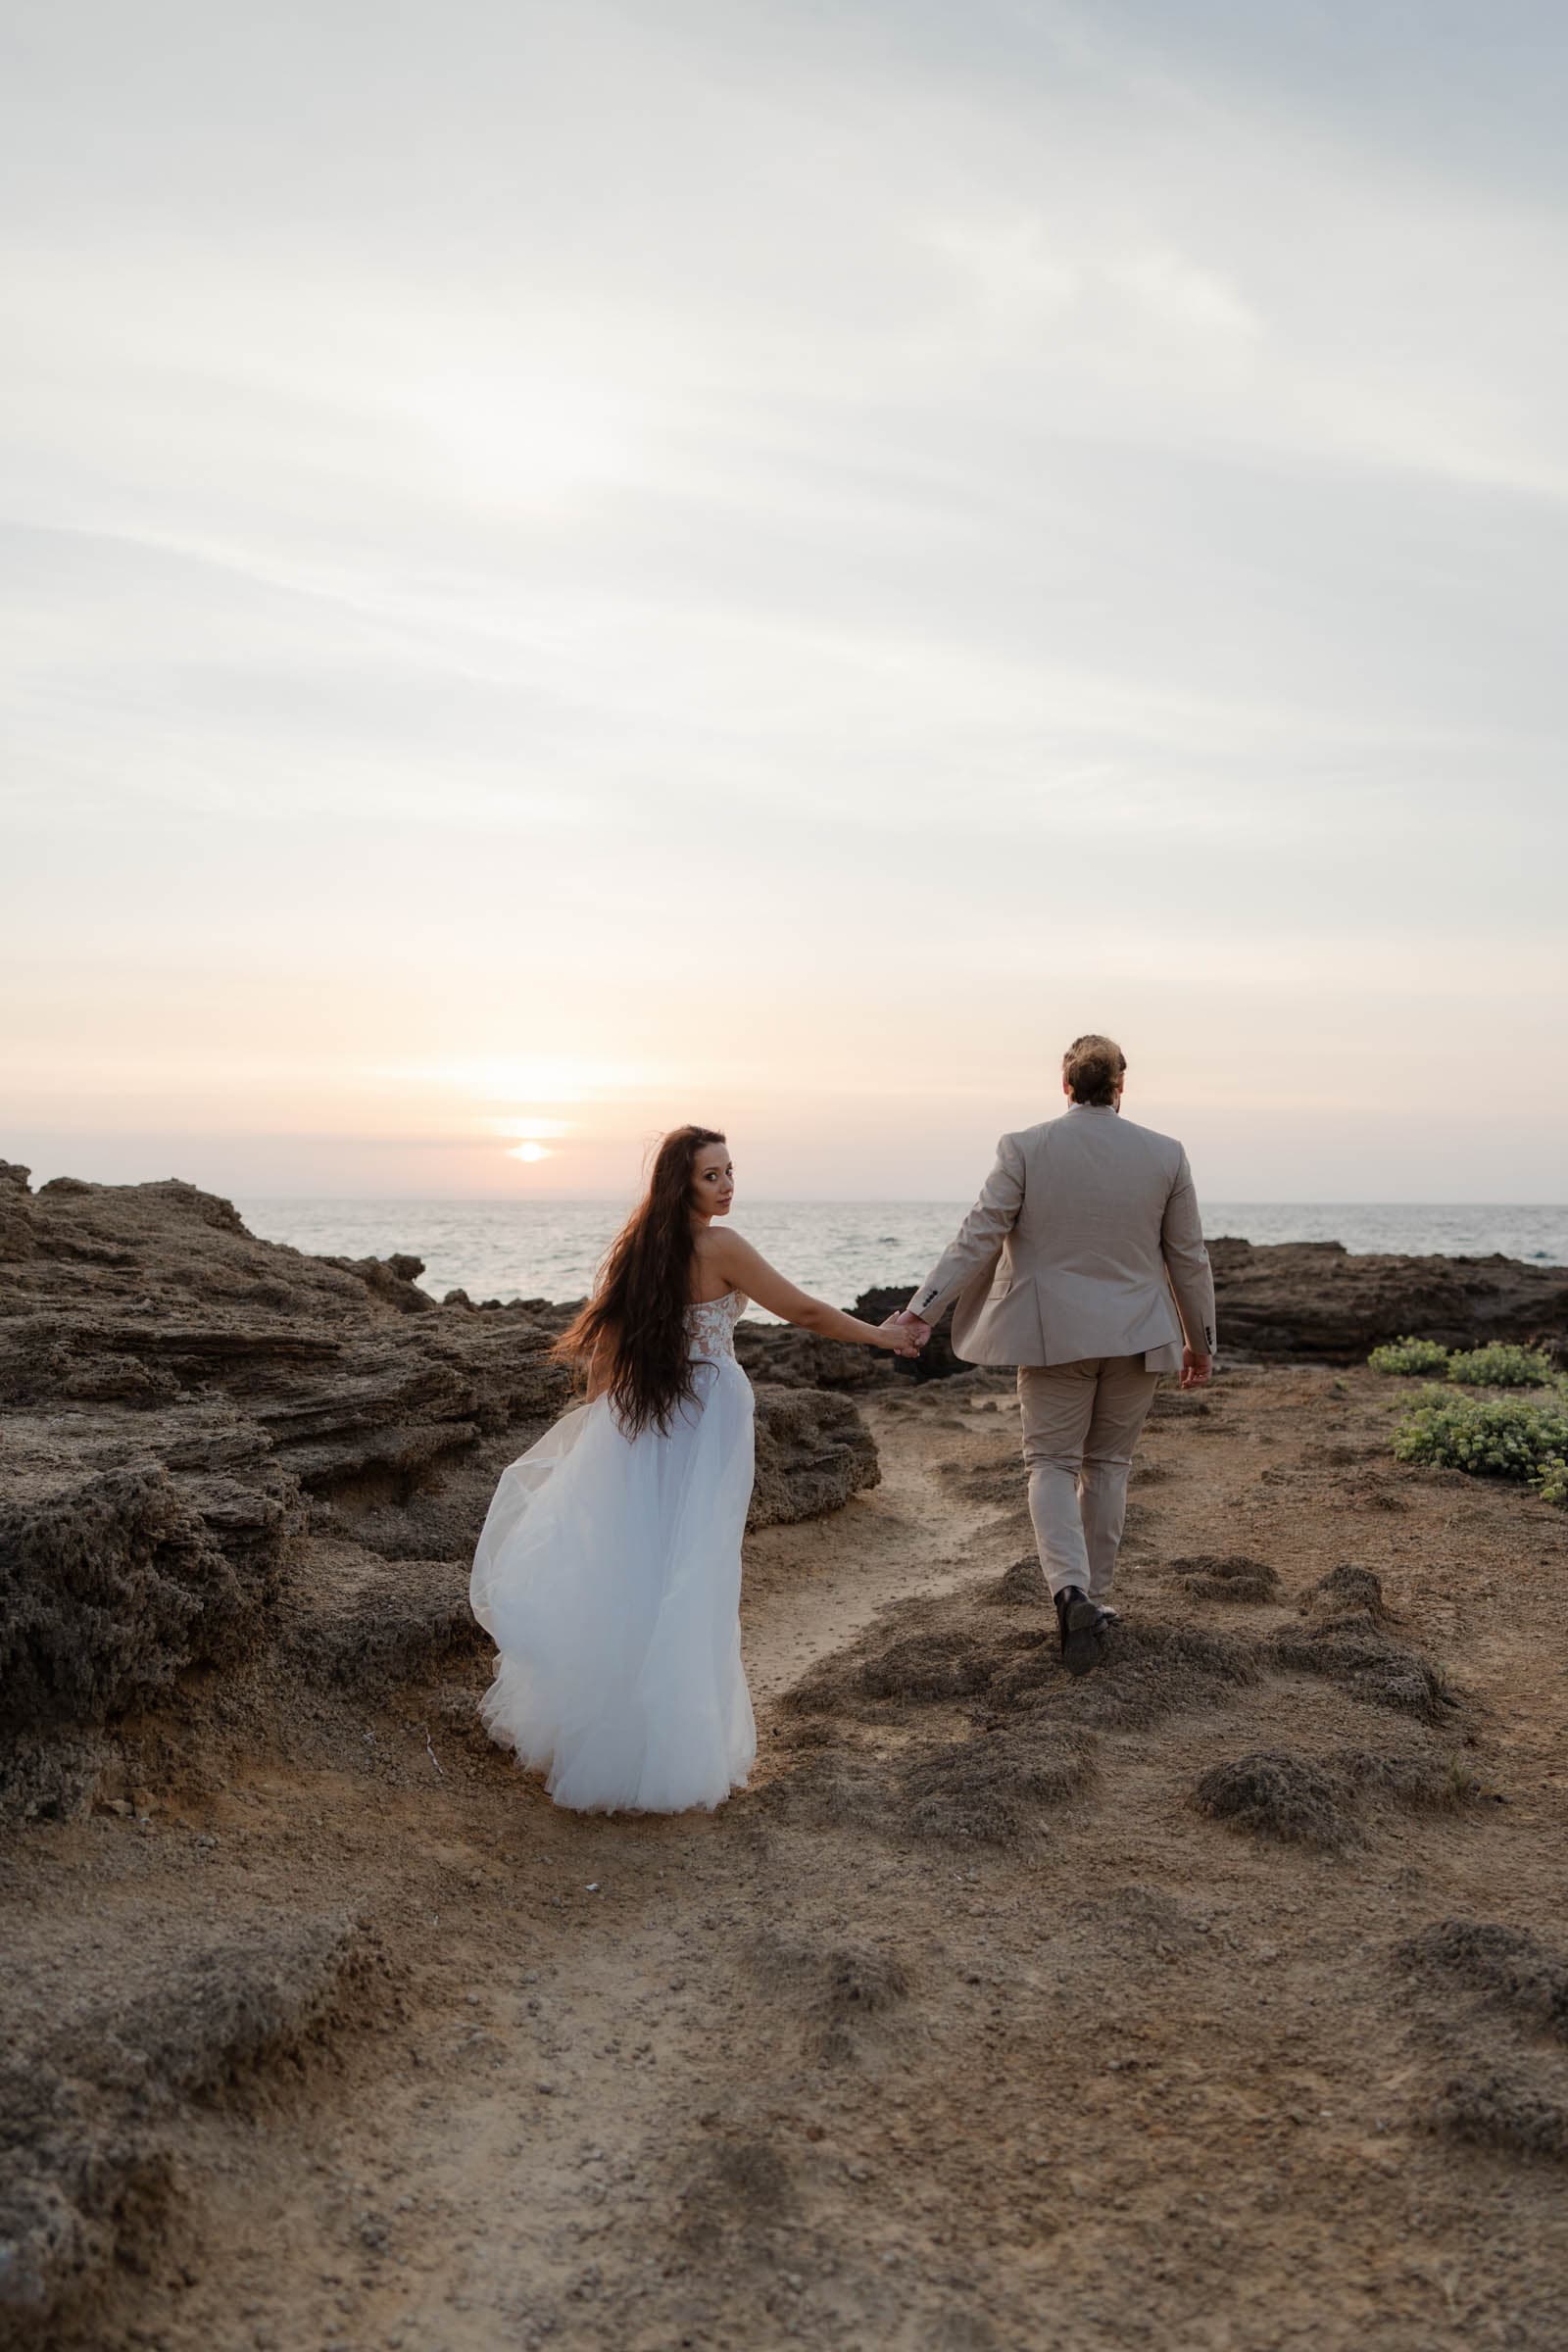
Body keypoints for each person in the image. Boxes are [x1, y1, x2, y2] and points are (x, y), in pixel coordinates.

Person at [469, 1125, 921, 1813]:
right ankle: (672, 1758)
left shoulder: (640, 1251)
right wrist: (880, 1336)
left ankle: (615, 1745)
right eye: (713, 1175)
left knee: (640, 1570)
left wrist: (600, 1426)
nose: (729, 1184)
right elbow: (799, 1309)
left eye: (732, 1171)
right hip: (704, 1414)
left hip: (642, 1419)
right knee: (695, 1572)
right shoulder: (720, 1247)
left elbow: (606, 1354)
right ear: (682, 1184)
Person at [888, 1036, 1214, 1678]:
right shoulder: (1166, 1154)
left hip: (1050, 1336)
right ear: (1121, 1086)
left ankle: (1069, 1594)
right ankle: (1094, 1597)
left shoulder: (1025, 1147)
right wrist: (1200, 1342)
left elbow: (976, 1236)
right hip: (1140, 1334)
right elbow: (1190, 1258)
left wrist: (920, 1311)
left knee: (1053, 1463)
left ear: (1065, 1086)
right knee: (1110, 1465)